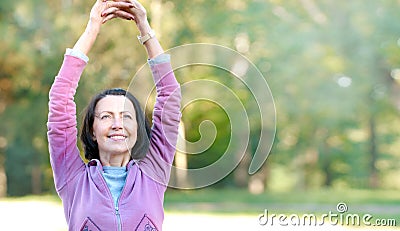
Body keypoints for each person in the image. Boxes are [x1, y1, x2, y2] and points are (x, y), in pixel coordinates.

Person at [47, 0, 181, 230]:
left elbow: (170, 98)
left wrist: (145, 29)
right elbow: (60, 99)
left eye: (126, 116)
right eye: (106, 116)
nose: (118, 124)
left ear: (137, 129)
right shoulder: (73, 179)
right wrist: (92, 27)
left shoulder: (153, 174)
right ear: (92, 129)